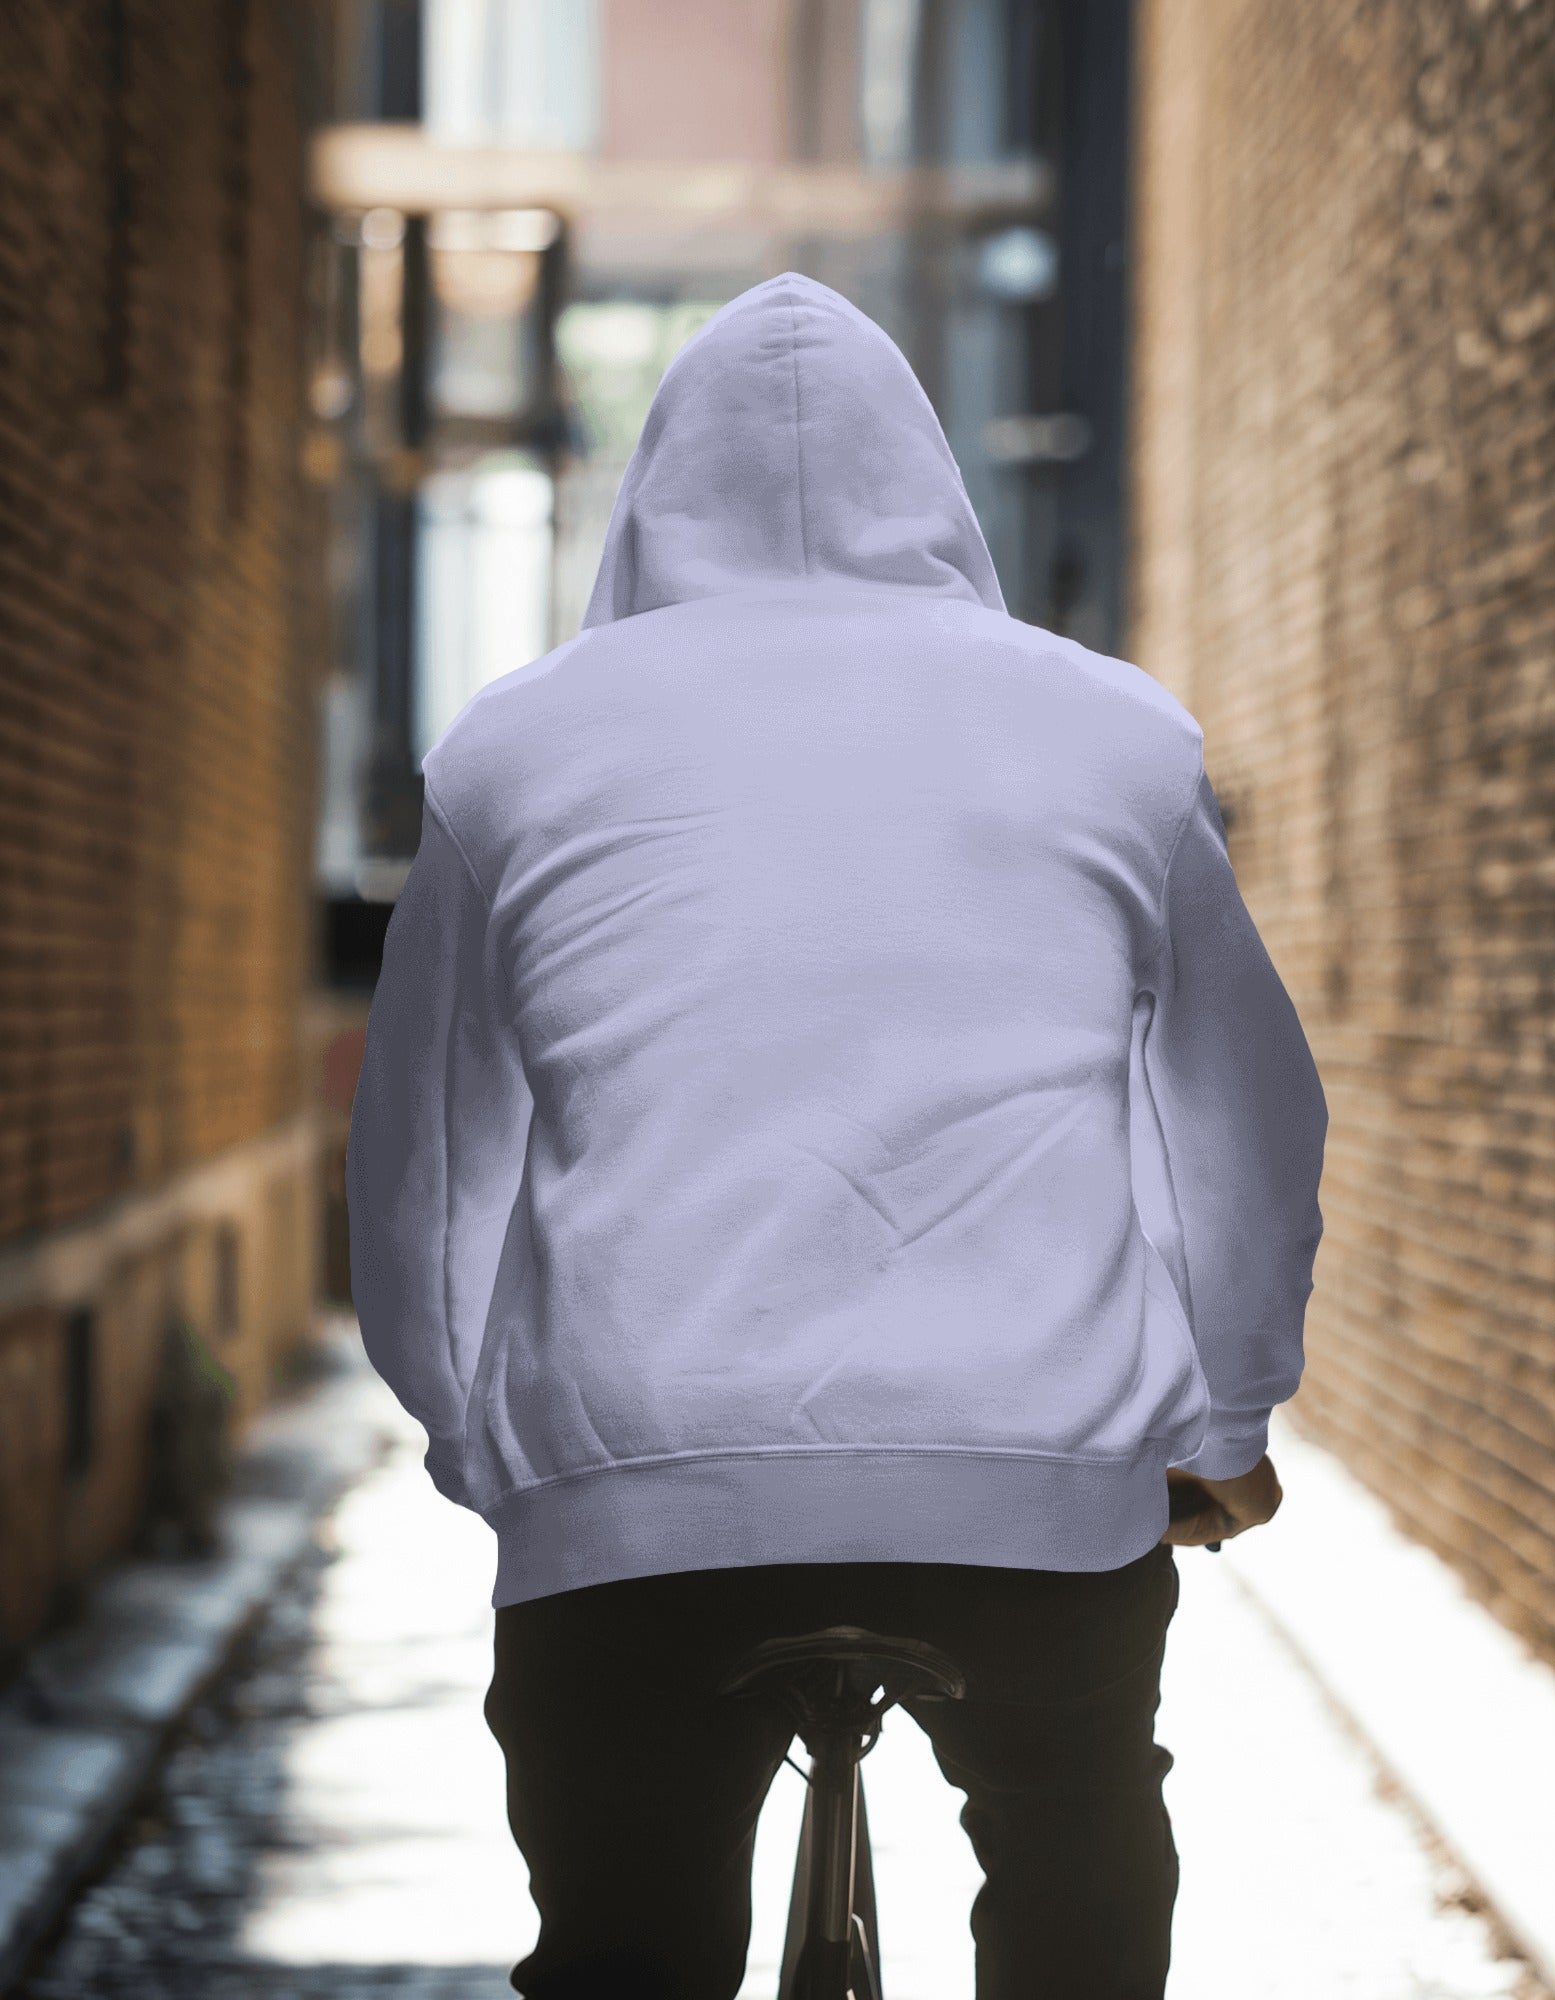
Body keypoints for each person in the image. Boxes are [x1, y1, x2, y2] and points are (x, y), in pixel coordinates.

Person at [345, 272, 1327, 1999]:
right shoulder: (1119, 735)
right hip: (1032, 1474)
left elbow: (427, 1165)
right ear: (935, 484)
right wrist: (1220, 1412)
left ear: (653, 492)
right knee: (1081, 1844)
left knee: (620, 1948)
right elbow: (1244, 1118)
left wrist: (478, 1440)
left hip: (635, 1476)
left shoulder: (508, 750)